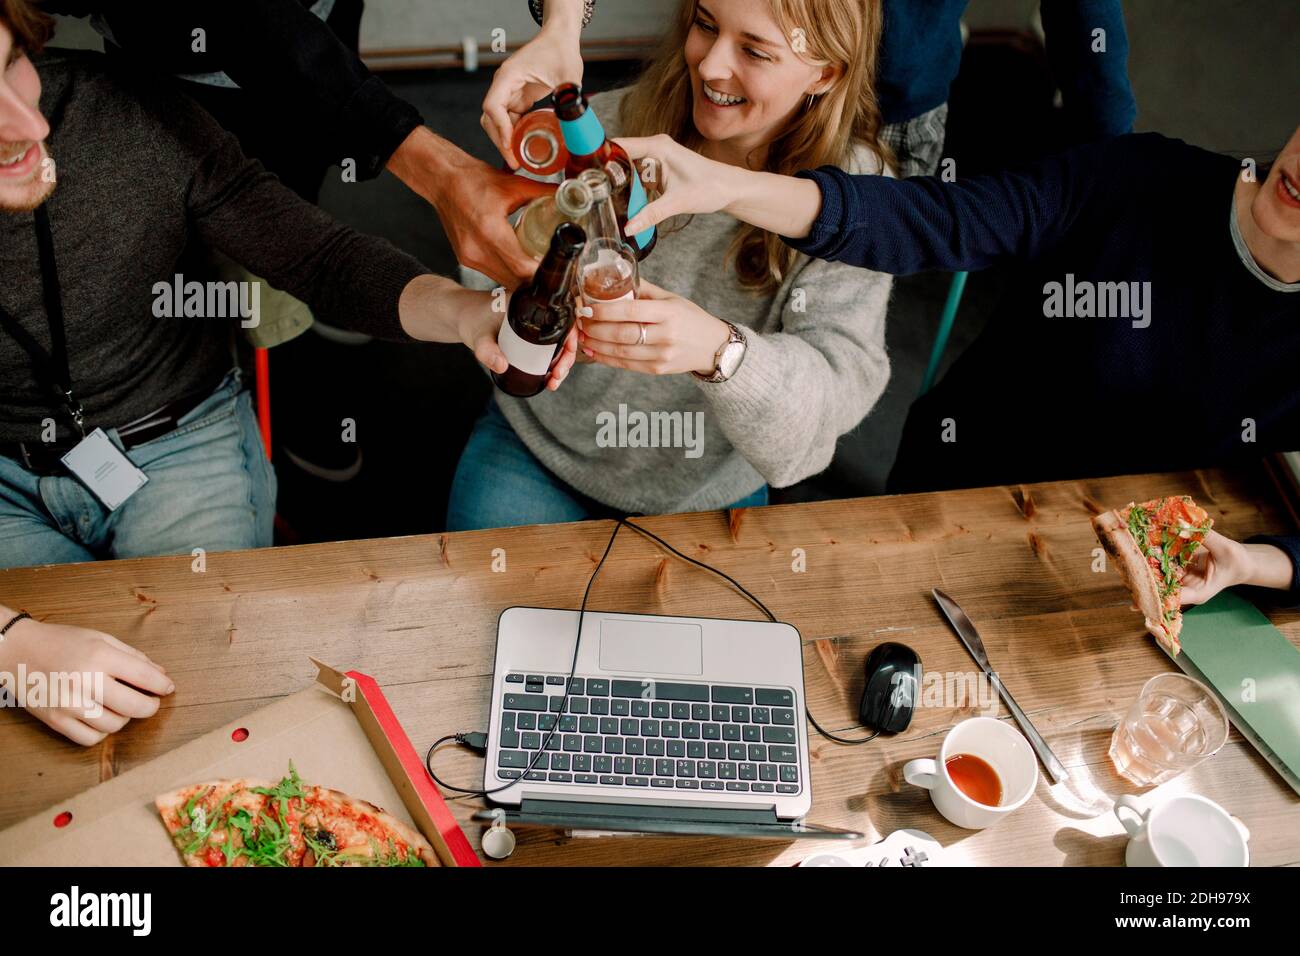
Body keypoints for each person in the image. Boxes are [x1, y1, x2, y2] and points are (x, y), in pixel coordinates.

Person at [0, 1, 575, 570]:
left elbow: (321, 260)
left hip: (177, 443)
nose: (33, 125)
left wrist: (467, 314)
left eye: (9, 65)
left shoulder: (123, 114)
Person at [448, 0, 893, 530]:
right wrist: (532, 290)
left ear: (826, 71)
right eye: (705, 25)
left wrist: (719, 351)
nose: (708, 67)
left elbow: (828, 404)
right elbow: (484, 272)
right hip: (541, 448)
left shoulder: (857, 197)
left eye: (754, 50)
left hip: (701, 489)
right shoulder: (605, 131)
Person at [483, 0, 1136, 178]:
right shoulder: (717, 64)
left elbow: (1086, 17)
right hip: (743, 73)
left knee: (829, 286)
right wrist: (563, 25)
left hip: (897, 105)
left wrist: (1114, 163)